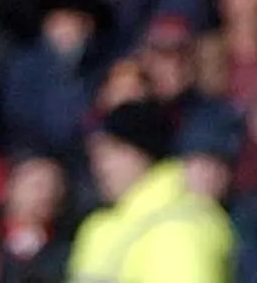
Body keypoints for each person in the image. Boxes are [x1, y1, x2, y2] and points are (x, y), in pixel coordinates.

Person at [66, 99, 233, 283]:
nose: (100, 166)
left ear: (142, 153)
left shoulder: (180, 226)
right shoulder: (106, 224)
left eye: (111, 152)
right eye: (96, 155)